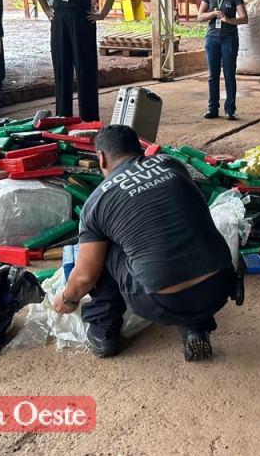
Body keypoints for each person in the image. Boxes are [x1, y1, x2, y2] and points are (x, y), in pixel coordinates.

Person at [53, 125, 235, 361]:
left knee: (102, 249)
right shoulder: (172, 165)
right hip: (220, 286)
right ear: (139, 149)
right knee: (177, 231)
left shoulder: (97, 201)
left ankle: (103, 333)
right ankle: (195, 327)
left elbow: (86, 277)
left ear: (101, 157)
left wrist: (67, 299)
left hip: (163, 301)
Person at [34, 0, 117, 121]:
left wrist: (102, 14)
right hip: (59, 24)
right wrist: (46, 10)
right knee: (62, 68)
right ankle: (63, 116)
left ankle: (89, 118)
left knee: (85, 69)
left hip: (83, 24)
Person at [197, 0, 247, 121]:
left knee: (229, 75)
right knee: (213, 75)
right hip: (212, 38)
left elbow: (244, 18)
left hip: (229, 39)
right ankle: (212, 108)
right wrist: (213, 13)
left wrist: (228, 20)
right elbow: (200, 17)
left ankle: (230, 109)